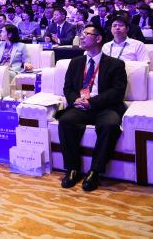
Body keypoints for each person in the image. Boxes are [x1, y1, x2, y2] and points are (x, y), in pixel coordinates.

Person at [57, 25, 127, 192]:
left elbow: (117, 92)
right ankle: (72, 169)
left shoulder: (115, 64)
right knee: (65, 121)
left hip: (105, 107)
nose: (81, 37)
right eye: (81, 34)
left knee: (110, 125)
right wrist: (75, 100)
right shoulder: (75, 62)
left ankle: (95, 171)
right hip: (81, 106)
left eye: (86, 34)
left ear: (98, 38)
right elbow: (67, 88)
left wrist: (92, 102)